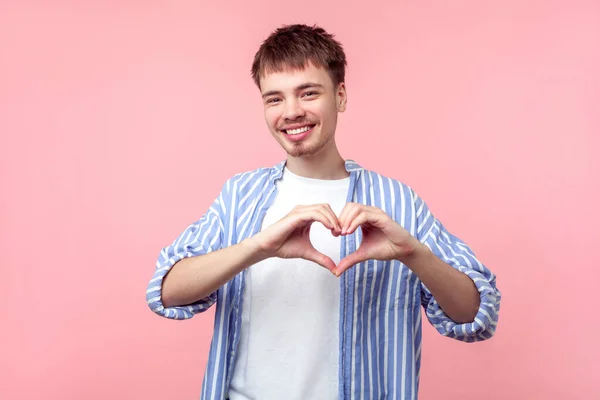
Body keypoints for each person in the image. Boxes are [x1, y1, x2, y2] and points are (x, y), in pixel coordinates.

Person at [146, 23, 501, 400]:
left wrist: (413, 254)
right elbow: (166, 291)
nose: (292, 112)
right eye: (274, 99)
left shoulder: (397, 202)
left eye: (308, 93)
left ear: (340, 96)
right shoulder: (240, 195)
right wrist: (259, 247)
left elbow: (477, 316)